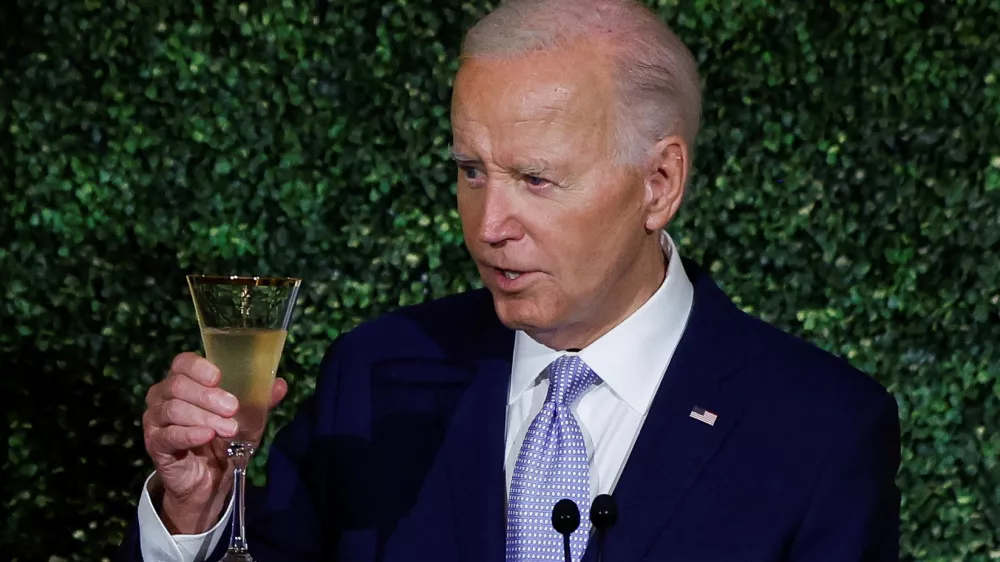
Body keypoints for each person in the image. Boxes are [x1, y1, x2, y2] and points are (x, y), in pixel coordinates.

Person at [118, 0, 901, 560]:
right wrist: (197, 511)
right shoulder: (375, 371)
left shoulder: (822, 429)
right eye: (469, 170)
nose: (488, 223)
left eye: (535, 178)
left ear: (659, 184)